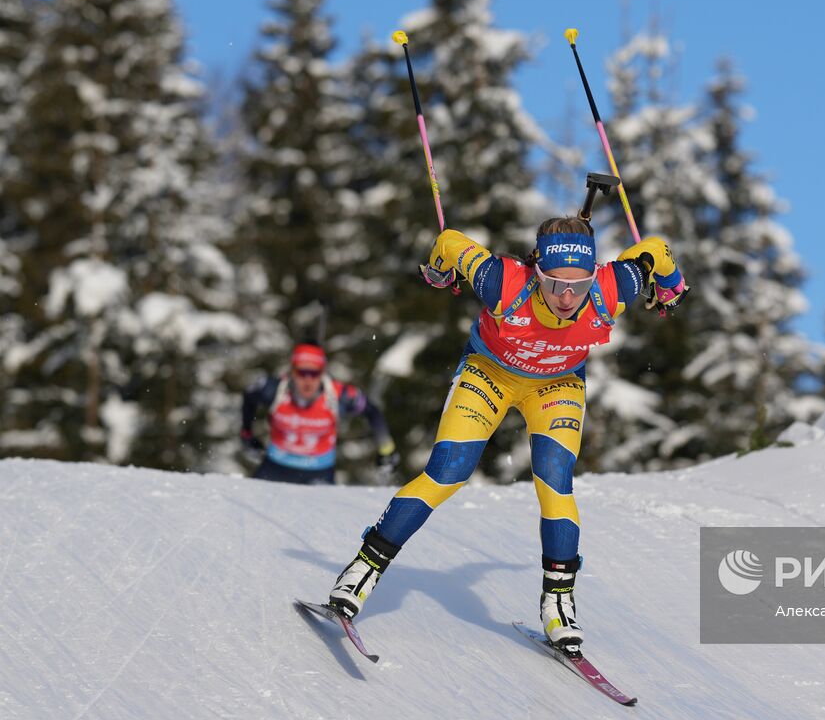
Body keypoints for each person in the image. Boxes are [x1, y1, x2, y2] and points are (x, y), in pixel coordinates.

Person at [325, 215, 686, 654]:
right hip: (490, 373)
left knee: (555, 481)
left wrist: (671, 286)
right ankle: (364, 569)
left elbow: (655, 252)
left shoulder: (611, 287)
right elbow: (449, 241)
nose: (568, 297)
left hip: (556, 385)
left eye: (580, 283)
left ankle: (558, 601)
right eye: (555, 285)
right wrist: (440, 270)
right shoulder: (503, 281)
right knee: (448, 473)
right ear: (537, 274)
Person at [241, 341, 399, 485]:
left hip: (319, 473)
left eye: (314, 373)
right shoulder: (273, 389)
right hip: (274, 468)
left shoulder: (339, 395)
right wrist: (247, 433)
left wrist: (386, 448)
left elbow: (372, 411)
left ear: (322, 372)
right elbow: (249, 398)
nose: (308, 380)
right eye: (302, 373)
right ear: (292, 371)